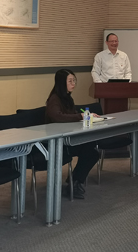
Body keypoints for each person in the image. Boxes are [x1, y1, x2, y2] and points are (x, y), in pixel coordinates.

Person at [45, 69, 100, 199]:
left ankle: (74, 181)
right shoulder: (54, 99)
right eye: (70, 81)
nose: (73, 84)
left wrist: (86, 116)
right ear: (61, 83)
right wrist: (80, 116)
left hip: (68, 138)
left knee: (91, 149)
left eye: (74, 80)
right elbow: (57, 117)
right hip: (57, 142)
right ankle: (74, 183)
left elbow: (72, 116)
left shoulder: (67, 98)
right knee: (90, 151)